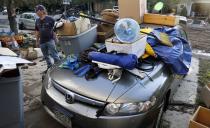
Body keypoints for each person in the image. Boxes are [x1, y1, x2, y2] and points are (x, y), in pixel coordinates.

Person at [35, 4, 60, 69]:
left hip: (50, 40)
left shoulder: (50, 19)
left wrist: (56, 38)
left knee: (55, 55)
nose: (36, 12)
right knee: (46, 56)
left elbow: (55, 29)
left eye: (37, 11)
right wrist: (37, 41)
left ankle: (58, 68)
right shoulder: (37, 20)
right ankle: (49, 67)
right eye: (36, 11)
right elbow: (37, 32)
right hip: (42, 42)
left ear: (41, 11)